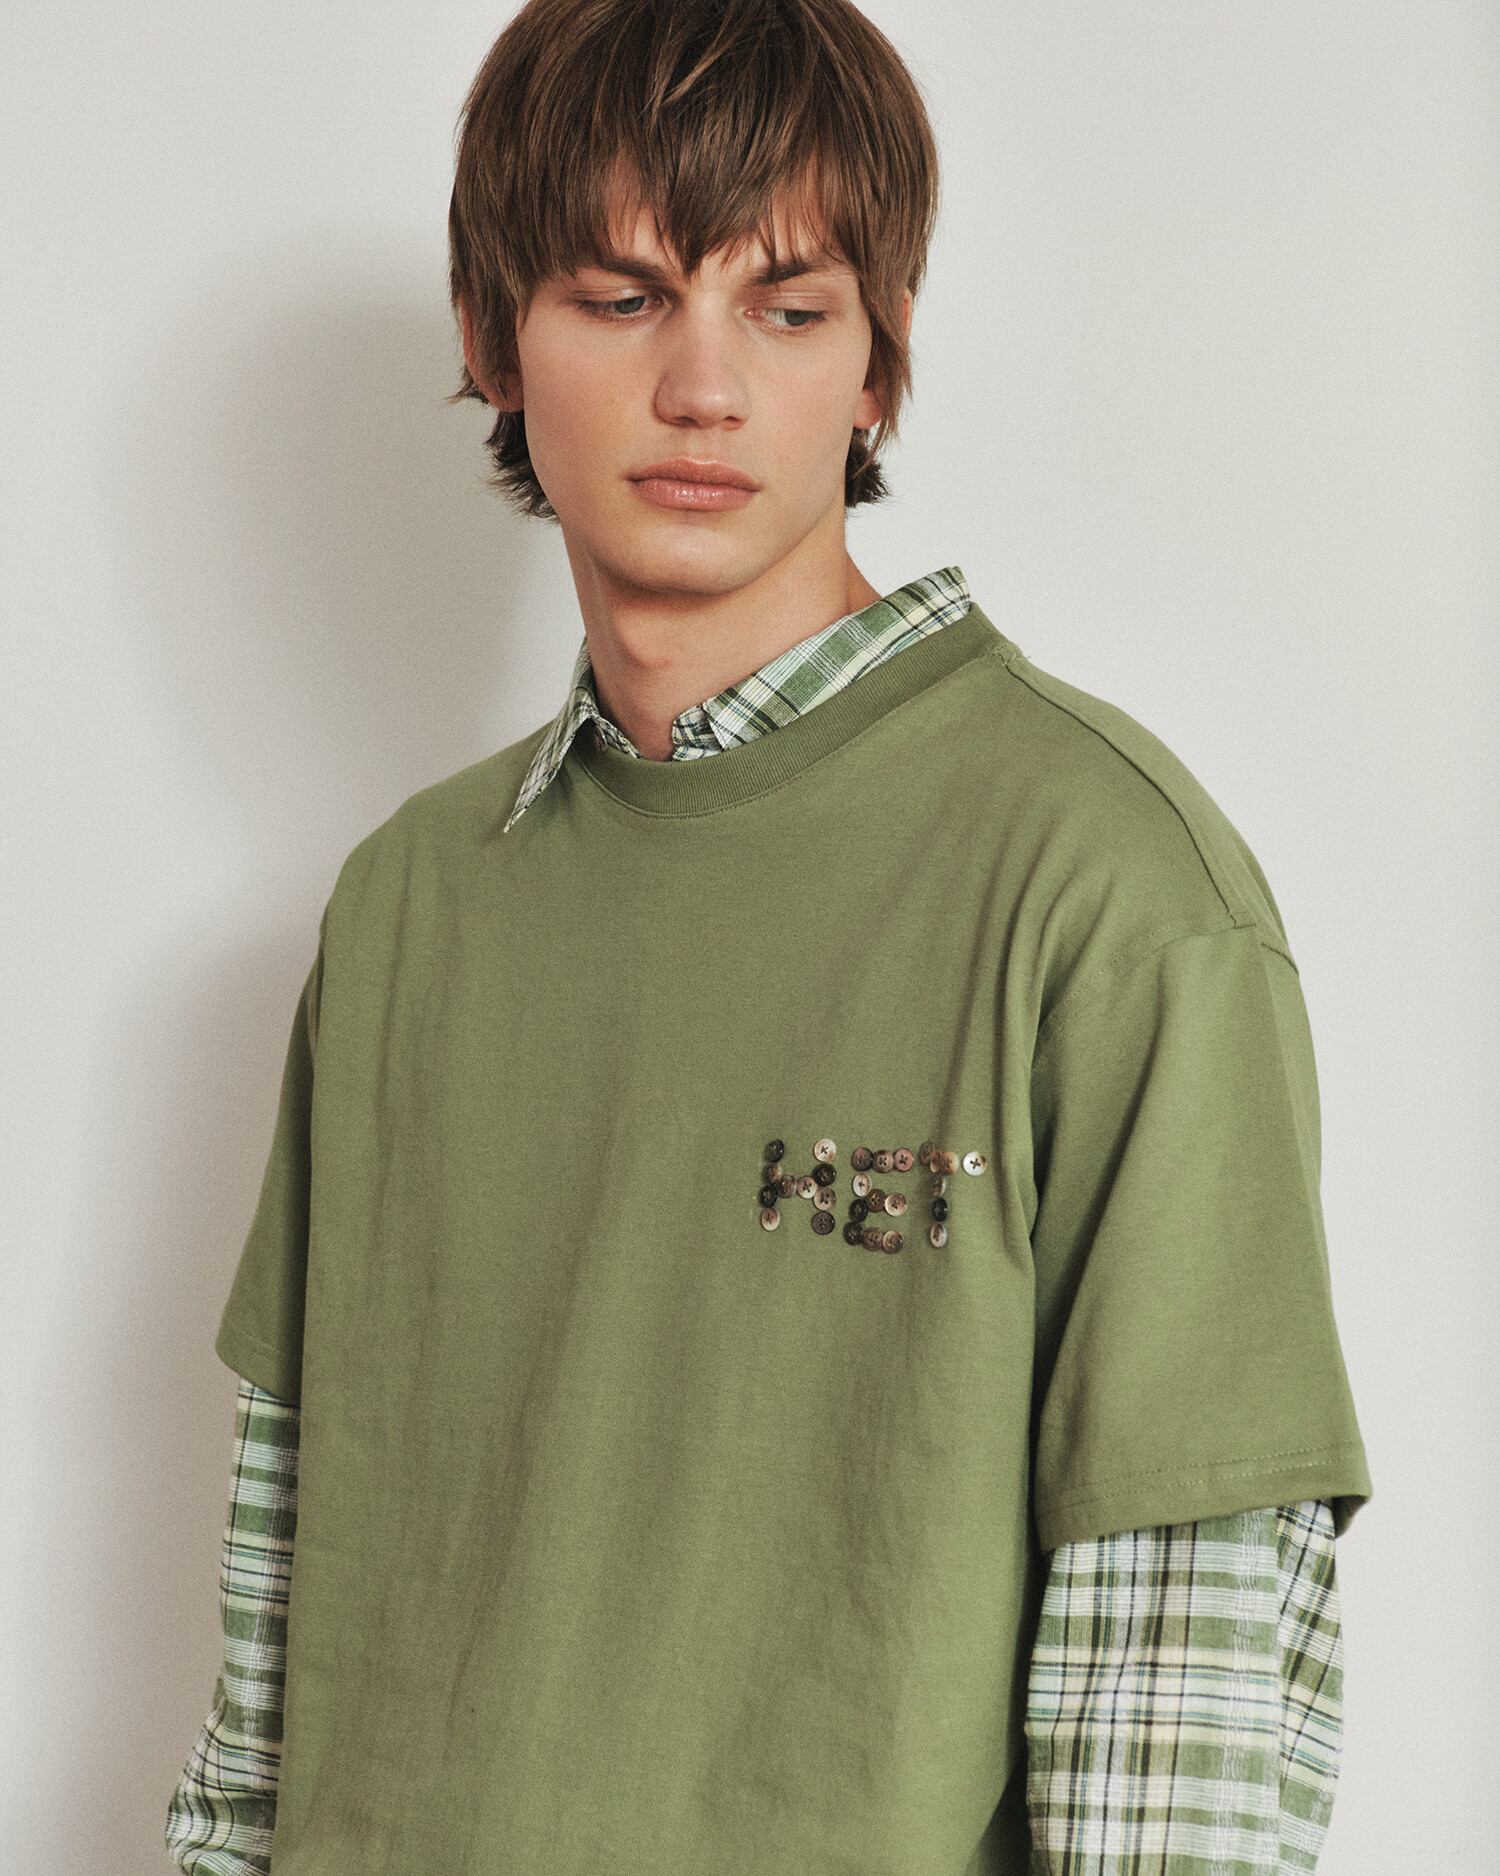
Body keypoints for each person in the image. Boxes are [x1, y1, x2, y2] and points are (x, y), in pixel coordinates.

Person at [165, 1, 1370, 1871]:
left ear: (880, 363)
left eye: (790, 309)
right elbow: (269, 1674)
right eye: (624, 296)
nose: (705, 389)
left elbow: (1181, 1732)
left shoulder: (1111, 893)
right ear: (490, 334)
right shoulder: (408, 904)